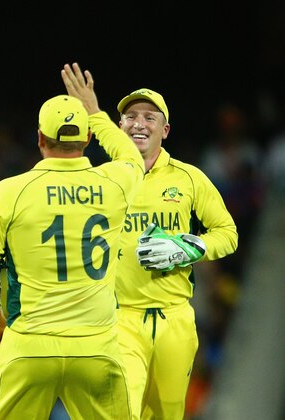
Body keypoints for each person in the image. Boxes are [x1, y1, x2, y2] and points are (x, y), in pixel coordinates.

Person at [0, 62, 144, 419]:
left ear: (39, 139)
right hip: (96, 347)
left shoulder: (10, 191)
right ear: (88, 140)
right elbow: (131, 155)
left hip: (30, 345)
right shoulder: (115, 184)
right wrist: (95, 112)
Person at [114, 88, 238, 419]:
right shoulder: (105, 180)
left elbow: (228, 235)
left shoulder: (189, 178)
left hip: (175, 318)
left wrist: (187, 247)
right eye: (131, 116)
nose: (139, 124)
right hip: (119, 317)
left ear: (165, 130)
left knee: (169, 413)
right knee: (123, 409)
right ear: (119, 125)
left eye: (149, 117)